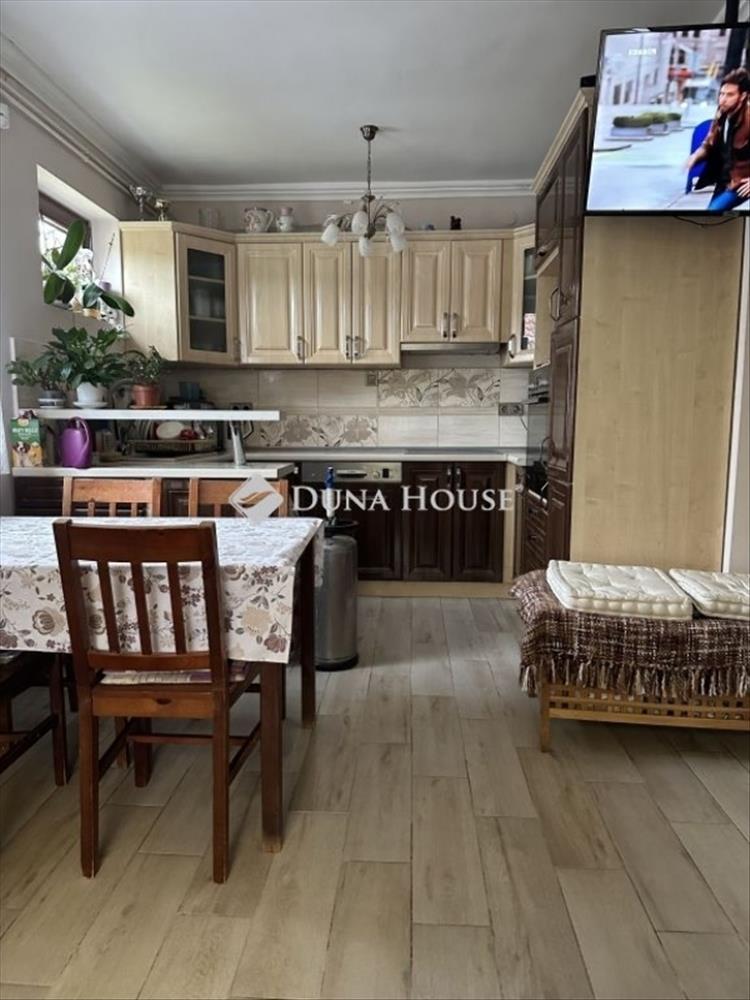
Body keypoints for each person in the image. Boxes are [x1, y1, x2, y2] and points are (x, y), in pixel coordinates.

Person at [685, 67, 750, 211]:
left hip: (741, 182)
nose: (723, 99)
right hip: (725, 180)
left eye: (730, 95)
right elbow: (709, 143)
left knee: (713, 212)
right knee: (711, 217)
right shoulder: (722, 114)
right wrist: (695, 157)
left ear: (743, 96)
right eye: (721, 94)